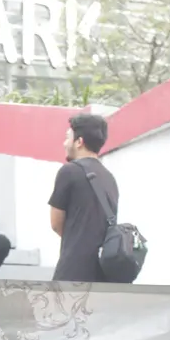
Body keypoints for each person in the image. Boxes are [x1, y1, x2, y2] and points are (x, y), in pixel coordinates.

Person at [49, 114, 119, 283]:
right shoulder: (109, 178)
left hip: (73, 270)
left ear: (79, 142)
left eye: (68, 138)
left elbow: (56, 223)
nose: (65, 143)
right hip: (102, 272)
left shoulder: (68, 171)